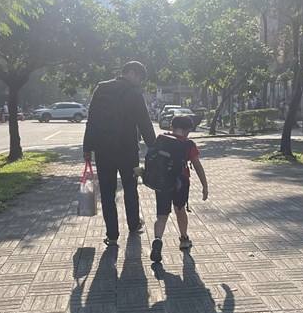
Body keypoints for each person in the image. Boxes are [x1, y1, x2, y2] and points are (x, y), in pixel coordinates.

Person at [83, 60, 156, 246]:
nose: (140, 81)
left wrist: (87, 148)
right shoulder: (134, 93)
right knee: (130, 189)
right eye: (140, 77)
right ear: (131, 73)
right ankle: (133, 225)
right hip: (128, 150)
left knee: (107, 193)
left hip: (103, 151)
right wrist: (154, 148)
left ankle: (112, 234)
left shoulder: (101, 88)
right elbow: (144, 123)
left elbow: (92, 119)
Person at [149, 115, 209, 263]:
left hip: (162, 181)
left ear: (172, 127)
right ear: (188, 129)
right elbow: (197, 165)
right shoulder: (188, 144)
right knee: (180, 210)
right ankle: (184, 239)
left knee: (162, 215)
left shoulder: (161, 139)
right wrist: (204, 185)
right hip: (180, 181)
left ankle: (157, 240)